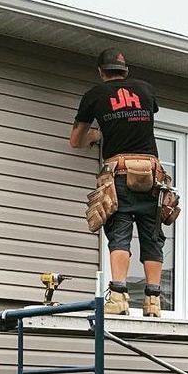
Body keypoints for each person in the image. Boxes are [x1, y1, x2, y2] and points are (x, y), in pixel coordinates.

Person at [69, 47, 164, 317]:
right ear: (126, 71)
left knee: (120, 232)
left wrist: (97, 136)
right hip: (151, 173)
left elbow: (75, 140)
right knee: (152, 235)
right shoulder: (145, 90)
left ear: (101, 72)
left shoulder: (95, 95)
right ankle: (153, 301)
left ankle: (120, 297)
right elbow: (138, 121)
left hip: (120, 172)